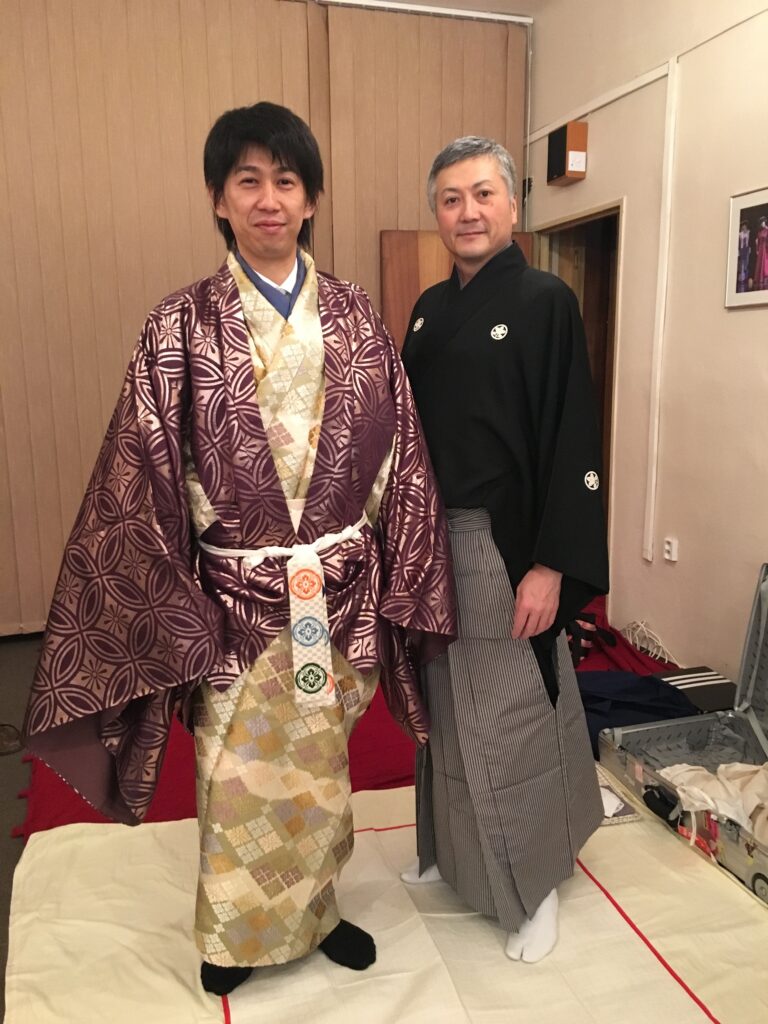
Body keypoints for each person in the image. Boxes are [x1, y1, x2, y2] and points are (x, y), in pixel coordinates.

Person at [23, 102, 456, 996]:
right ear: (219, 200)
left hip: (337, 590)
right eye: (247, 181)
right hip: (236, 600)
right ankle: (232, 934)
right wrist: (174, 593)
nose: (268, 199)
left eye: (286, 181)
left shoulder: (356, 316)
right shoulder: (178, 324)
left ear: (311, 199)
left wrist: (398, 565)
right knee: (235, 773)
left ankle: (319, 912)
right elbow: (141, 468)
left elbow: (400, 453)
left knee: (324, 764)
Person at [399, 136, 609, 964]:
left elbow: (572, 435)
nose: (468, 212)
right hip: (430, 540)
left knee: (510, 710)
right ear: (436, 213)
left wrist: (549, 564)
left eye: (483, 194)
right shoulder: (427, 309)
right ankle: (452, 853)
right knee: (445, 707)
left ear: (514, 205)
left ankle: (536, 880)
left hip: (502, 542)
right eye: (451, 198)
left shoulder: (545, 300)